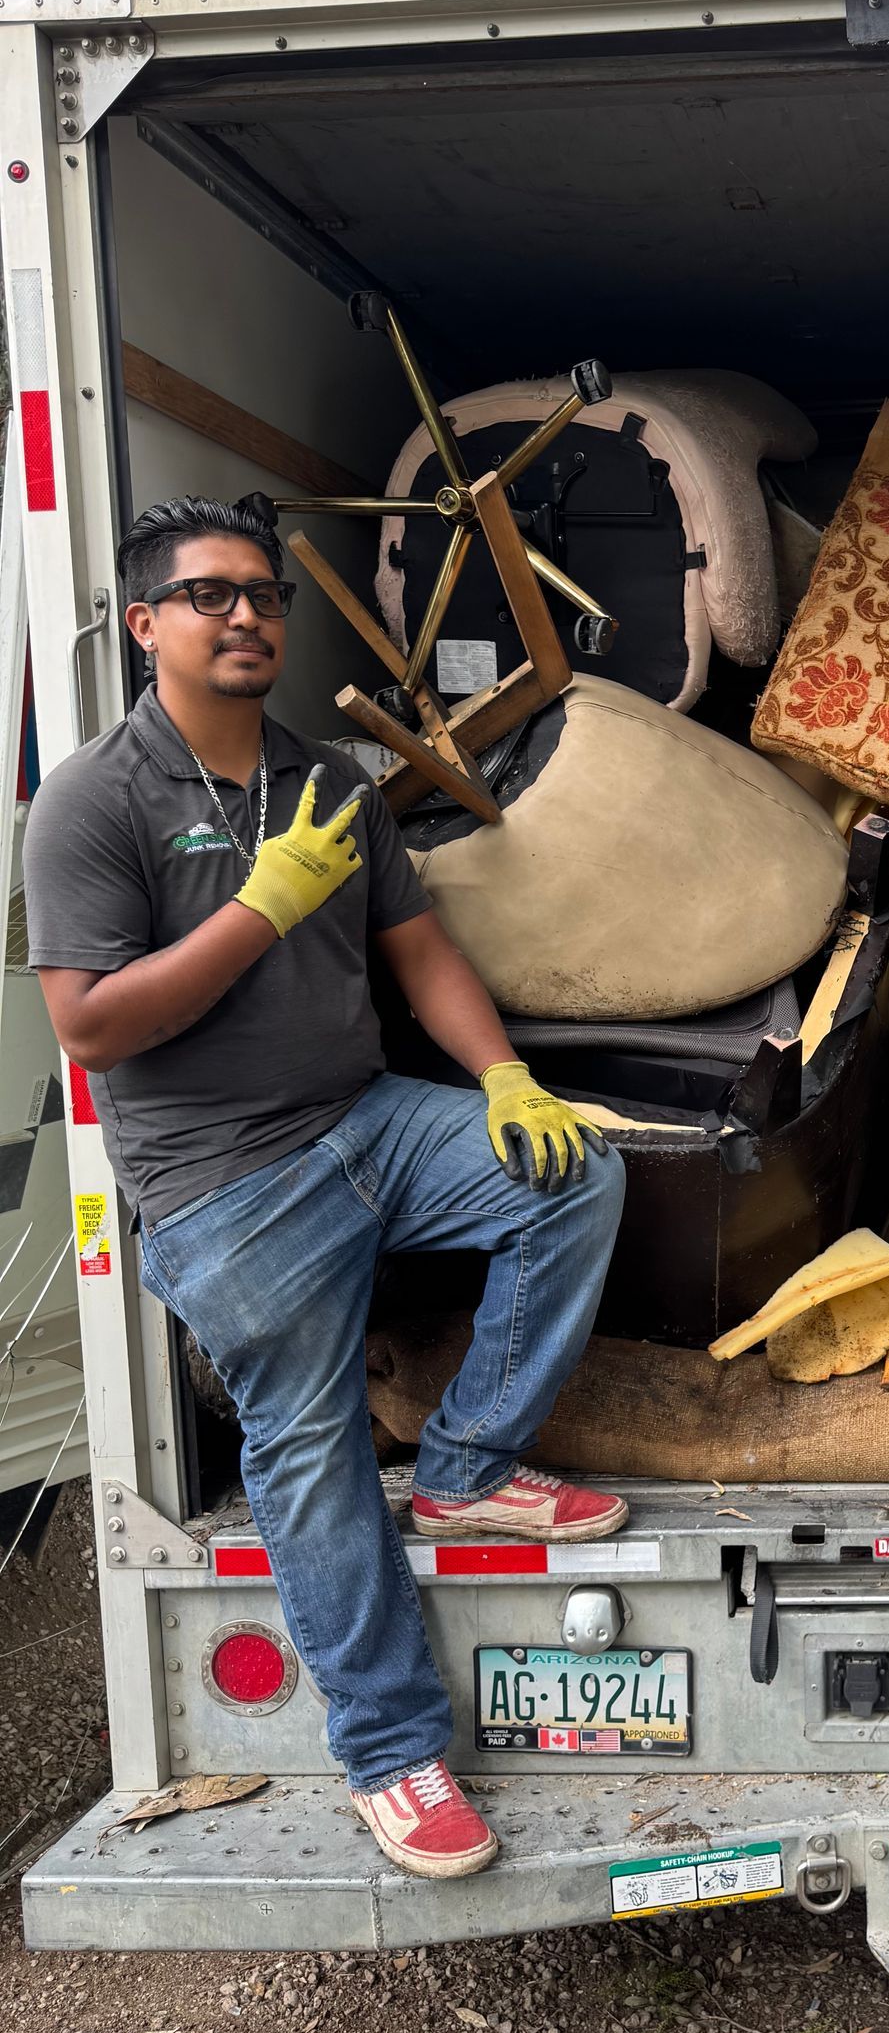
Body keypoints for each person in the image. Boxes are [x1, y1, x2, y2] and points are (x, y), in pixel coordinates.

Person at [24, 493, 629, 1882]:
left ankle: (471, 1468)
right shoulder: (92, 803)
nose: (248, 616)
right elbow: (92, 1027)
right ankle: (393, 1753)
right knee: (310, 1453)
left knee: (570, 1177)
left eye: (265, 595)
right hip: (223, 1186)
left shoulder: (329, 781)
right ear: (145, 624)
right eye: (211, 595)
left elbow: (416, 950)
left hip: (366, 1121)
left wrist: (501, 1079)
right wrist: (259, 911)